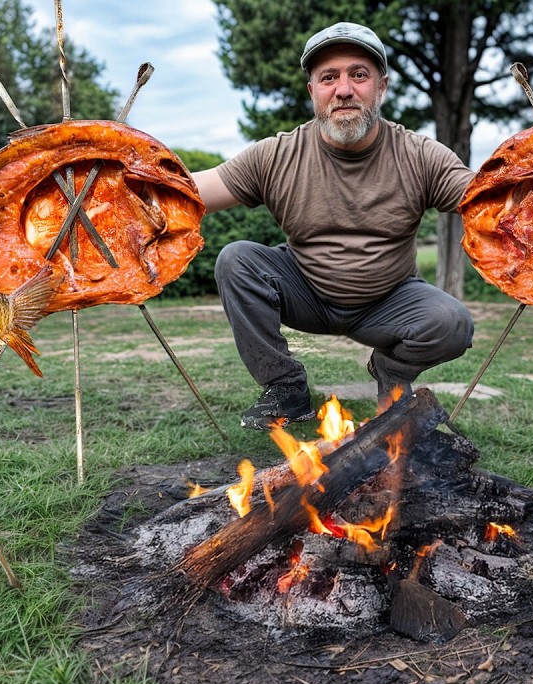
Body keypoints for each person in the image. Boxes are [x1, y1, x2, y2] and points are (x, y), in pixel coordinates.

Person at [193, 21, 476, 430]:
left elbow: (486, 200)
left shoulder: (420, 154)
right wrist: (122, 186)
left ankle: (391, 373)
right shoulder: (277, 154)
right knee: (236, 259)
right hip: (305, 292)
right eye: (329, 77)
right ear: (313, 91)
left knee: (452, 323)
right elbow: (192, 193)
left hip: (388, 301)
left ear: (381, 87)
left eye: (358, 74)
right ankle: (286, 388)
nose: (344, 88)